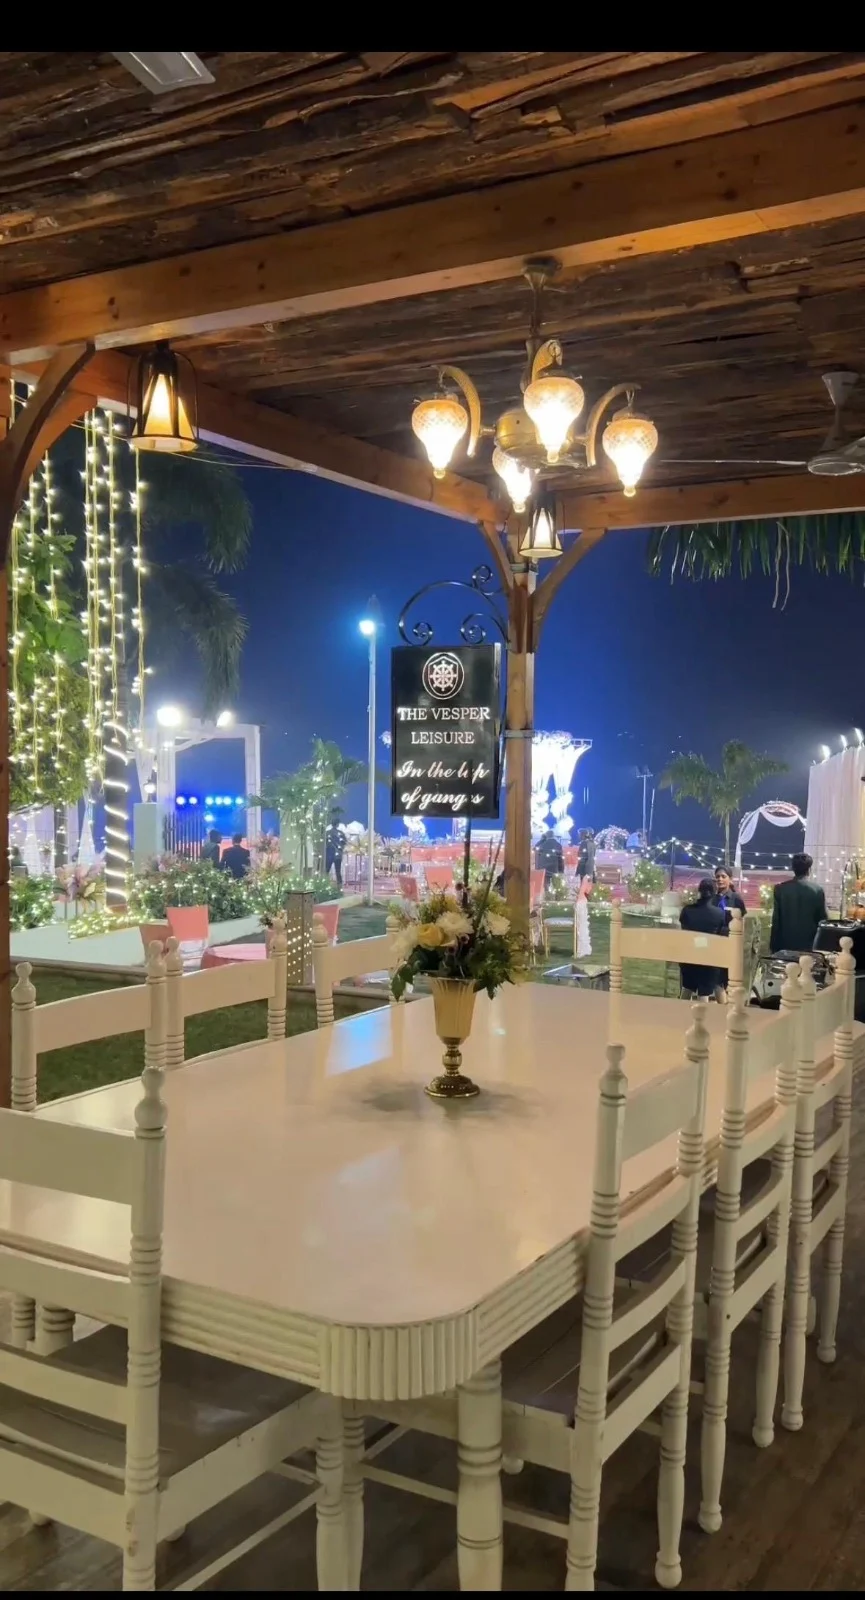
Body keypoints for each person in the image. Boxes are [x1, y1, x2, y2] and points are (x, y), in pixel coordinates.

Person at [770, 852, 828, 954]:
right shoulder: (817, 890)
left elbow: (776, 920)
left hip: (785, 945)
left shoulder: (780, 889)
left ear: (793, 868)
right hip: (809, 945)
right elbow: (822, 920)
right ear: (809, 870)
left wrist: (773, 946)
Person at [679, 878, 727, 999]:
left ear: (699, 891)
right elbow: (719, 934)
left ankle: (678, 1010)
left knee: (687, 988)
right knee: (704, 994)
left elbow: (684, 930)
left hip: (689, 958)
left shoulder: (687, 910)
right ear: (714, 893)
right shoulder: (719, 913)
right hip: (708, 960)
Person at [325, 813, 347, 890]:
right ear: (337, 824)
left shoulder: (327, 833)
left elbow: (325, 843)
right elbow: (344, 842)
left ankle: (324, 885)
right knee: (338, 871)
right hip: (338, 855)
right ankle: (339, 887)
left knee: (326, 870)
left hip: (329, 854)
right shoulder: (341, 833)